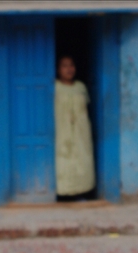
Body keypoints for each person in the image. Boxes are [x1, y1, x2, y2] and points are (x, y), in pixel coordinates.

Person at [54, 56, 95, 200]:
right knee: (62, 163)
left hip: (80, 133)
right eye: (64, 66)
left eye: (71, 65)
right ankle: (62, 195)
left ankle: (82, 192)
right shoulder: (54, 87)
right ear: (58, 69)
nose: (69, 69)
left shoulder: (81, 87)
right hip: (61, 133)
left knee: (81, 160)